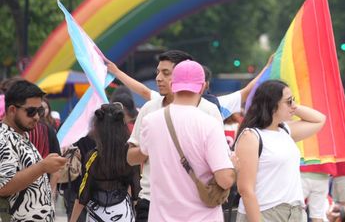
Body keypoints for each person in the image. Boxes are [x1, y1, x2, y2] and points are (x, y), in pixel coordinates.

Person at [114, 50, 221, 222]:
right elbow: (130, 158)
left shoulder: (209, 111)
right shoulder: (149, 110)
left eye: (166, 73)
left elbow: (219, 162)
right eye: (157, 72)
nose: (158, 78)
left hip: (195, 204)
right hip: (152, 201)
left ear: (182, 76)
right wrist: (152, 147)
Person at [138, 60, 235, 221]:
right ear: (203, 86)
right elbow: (224, 180)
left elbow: (143, 154)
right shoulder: (209, 124)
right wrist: (235, 167)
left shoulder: (150, 121)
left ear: (173, 84)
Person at [234, 80, 326, 222]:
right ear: (272, 104)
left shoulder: (284, 130)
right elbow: (246, 189)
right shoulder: (251, 136)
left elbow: (319, 120)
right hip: (265, 213)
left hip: (294, 212)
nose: (293, 105)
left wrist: (292, 105)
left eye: (293, 100)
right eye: (289, 101)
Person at [0, 80, 67, 222]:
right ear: (12, 110)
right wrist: (42, 167)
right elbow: (3, 186)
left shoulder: (21, 135)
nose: (37, 117)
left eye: (40, 111)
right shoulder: (3, 138)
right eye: (31, 111)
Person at [69, 103, 139, 222]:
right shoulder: (129, 154)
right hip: (123, 212)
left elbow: (83, 194)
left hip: (98, 215)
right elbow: (135, 188)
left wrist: (72, 220)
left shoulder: (94, 157)